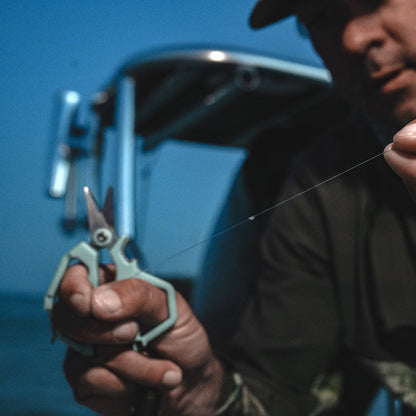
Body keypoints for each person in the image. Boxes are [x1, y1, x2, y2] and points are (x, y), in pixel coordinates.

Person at [51, 0, 416, 414]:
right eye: (320, 18)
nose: (352, 39)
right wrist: (200, 392)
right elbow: (279, 392)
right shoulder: (320, 184)